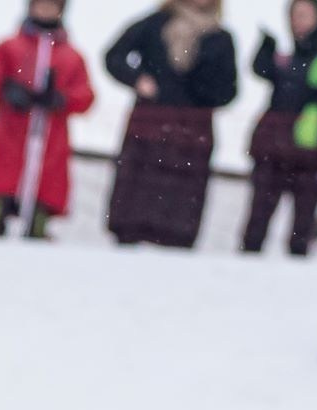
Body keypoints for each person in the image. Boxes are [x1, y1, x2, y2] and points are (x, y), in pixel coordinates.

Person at [102, 0, 237, 250]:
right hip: (150, 123)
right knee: (137, 192)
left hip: (192, 132)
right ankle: (127, 238)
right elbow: (114, 57)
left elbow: (228, 91)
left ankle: (174, 247)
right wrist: (137, 79)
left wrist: (204, 90)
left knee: (182, 198)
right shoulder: (154, 24)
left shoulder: (221, 38)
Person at [240, 1, 317, 258]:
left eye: (305, 15)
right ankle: (246, 267)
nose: (299, 21)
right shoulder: (281, 61)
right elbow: (261, 71)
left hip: (310, 153)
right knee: (257, 221)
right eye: (295, 15)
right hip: (273, 150)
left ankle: (296, 270)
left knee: (302, 225)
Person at [0, 0, 93, 239]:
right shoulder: (9, 47)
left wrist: (61, 99)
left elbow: (85, 96)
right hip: (11, 131)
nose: (45, 10)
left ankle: (38, 225)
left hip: (50, 136)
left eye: (52, 6)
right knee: (2, 181)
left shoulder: (71, 56)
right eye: (41, 5)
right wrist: (7, 89)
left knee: (45, 185)